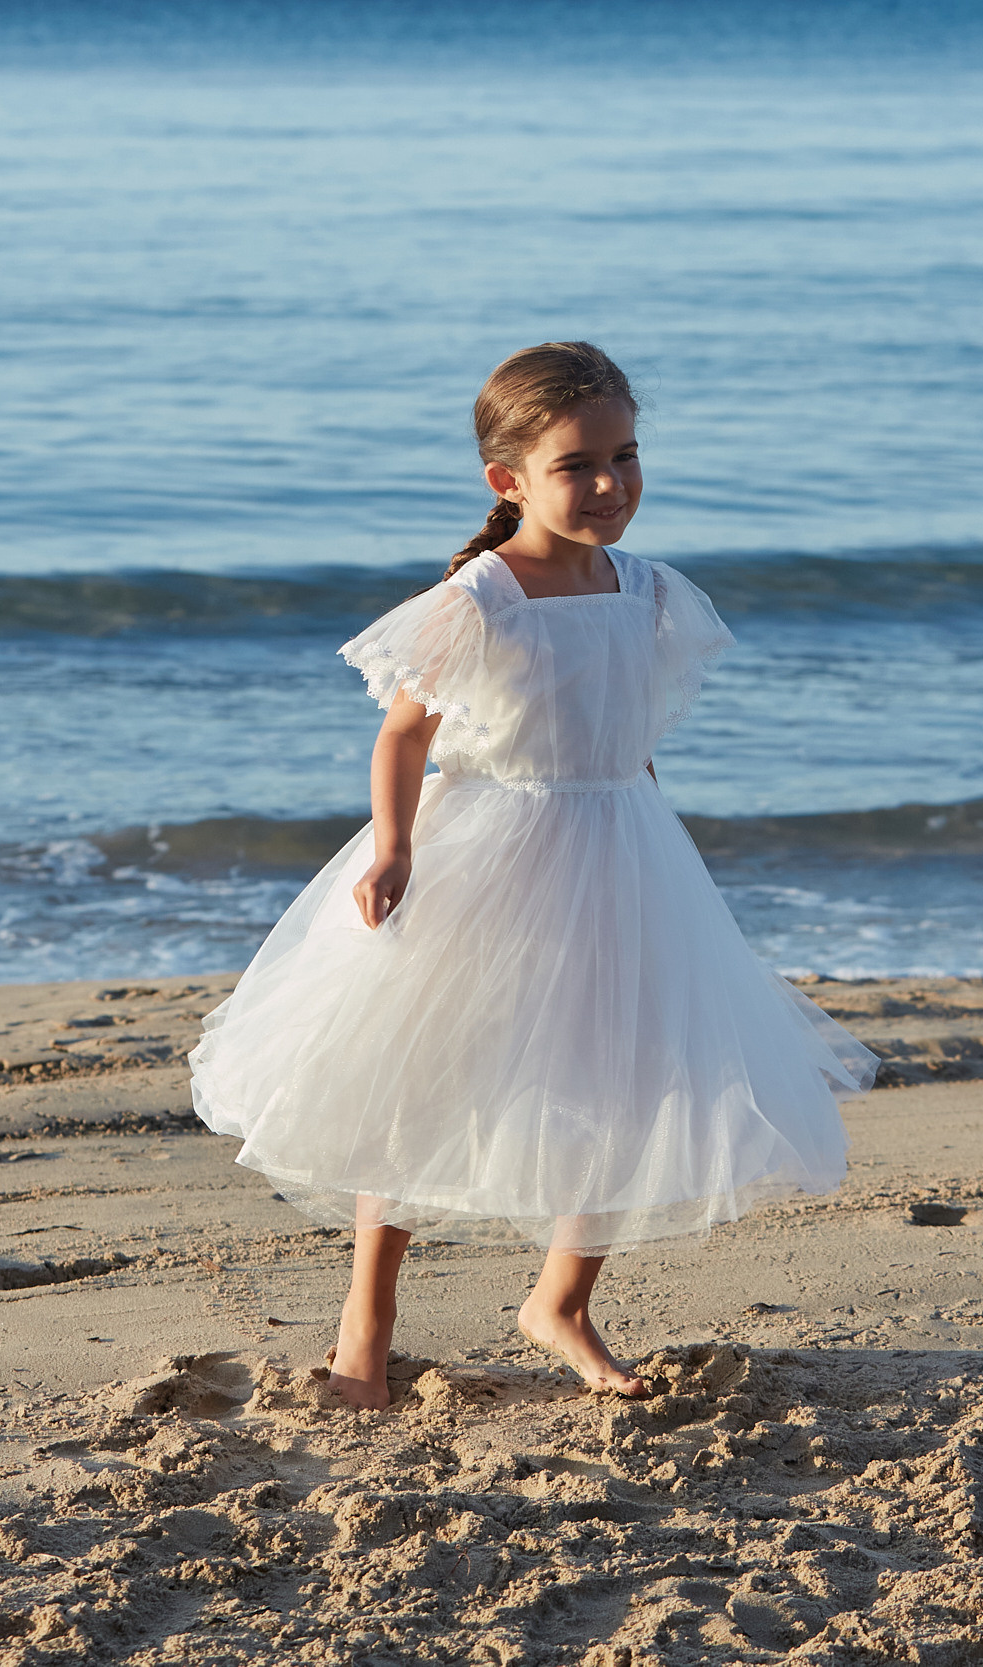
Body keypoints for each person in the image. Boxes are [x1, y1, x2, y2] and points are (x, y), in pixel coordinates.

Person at [189, 342, 875, 1409]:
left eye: (625, 456)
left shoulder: (645, 590)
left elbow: (627, 729)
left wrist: (651, 839)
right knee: (421, 1078)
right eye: (577, 464)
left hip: (619, 848)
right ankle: (363, 1328)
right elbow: (403, 738)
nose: (609, 484)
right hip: (491, 852)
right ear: (508, 479)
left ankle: (560, 1301)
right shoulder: (482, 598)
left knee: (623, 1074)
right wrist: (394, 847)